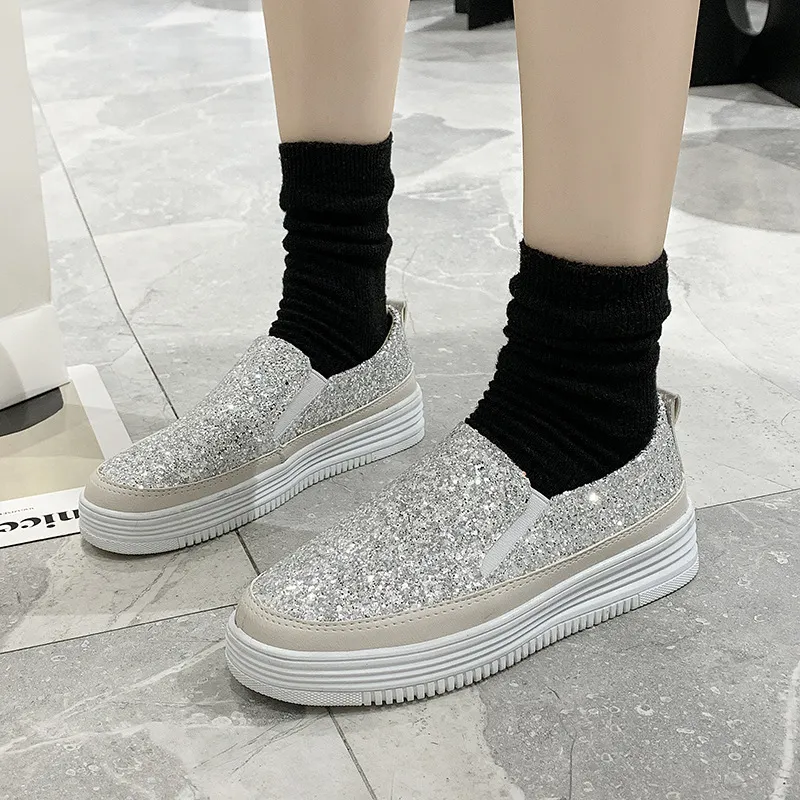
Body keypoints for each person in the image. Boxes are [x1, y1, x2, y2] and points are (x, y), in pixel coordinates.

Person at [79, 0, 701, 705]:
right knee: (325, 287)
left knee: (573, 378)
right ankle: (334, 321)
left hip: (583, 415)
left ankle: (587, 410)